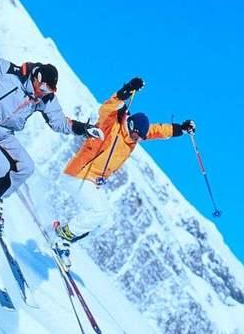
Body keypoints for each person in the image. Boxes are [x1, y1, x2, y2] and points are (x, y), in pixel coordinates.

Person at [0, 20, 103, 230]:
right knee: (0, 165)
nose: (44, 92)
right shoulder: (9, 73)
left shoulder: (45, 99)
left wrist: (83, 128)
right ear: (36, 77)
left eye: (49, 90)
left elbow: (59, 122)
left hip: (4, 135)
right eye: (43, 87)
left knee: (26, 167)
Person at [53, 77, 196, 267]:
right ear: (131, 125)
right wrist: (127, 90)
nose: (138, 139)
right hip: (78, 174)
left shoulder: (133, 138)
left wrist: (182, 129)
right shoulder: (111, 125)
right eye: (137, 134)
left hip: (92, 181)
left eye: (140, 137)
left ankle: (65, 233)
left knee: (105, 221)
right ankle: (63, 237)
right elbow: (108, 107)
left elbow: (157, 131)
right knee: (99, 210)